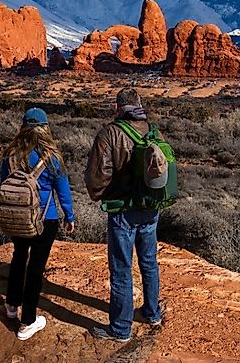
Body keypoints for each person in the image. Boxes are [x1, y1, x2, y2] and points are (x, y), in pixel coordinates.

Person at [86, 88, 163, 343]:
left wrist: (99, 195)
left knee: (121, 268)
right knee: (149, 262)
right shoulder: (151, 130)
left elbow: (98, 175)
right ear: (139, 106)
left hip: (122, 212)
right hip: (150, 208)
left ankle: (120, 328)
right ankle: (152, 313)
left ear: (117, 107)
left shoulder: (109, 133)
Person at [1, 107, 76, 341]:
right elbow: (62, 190)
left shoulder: (11, 154)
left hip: (18, 217)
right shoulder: (51, 156)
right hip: (46, 218)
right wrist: (70, 217)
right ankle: (27, 322)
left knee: (18, 257)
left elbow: (4, 183)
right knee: (35, 269)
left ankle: (12, 305)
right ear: (45, 127)